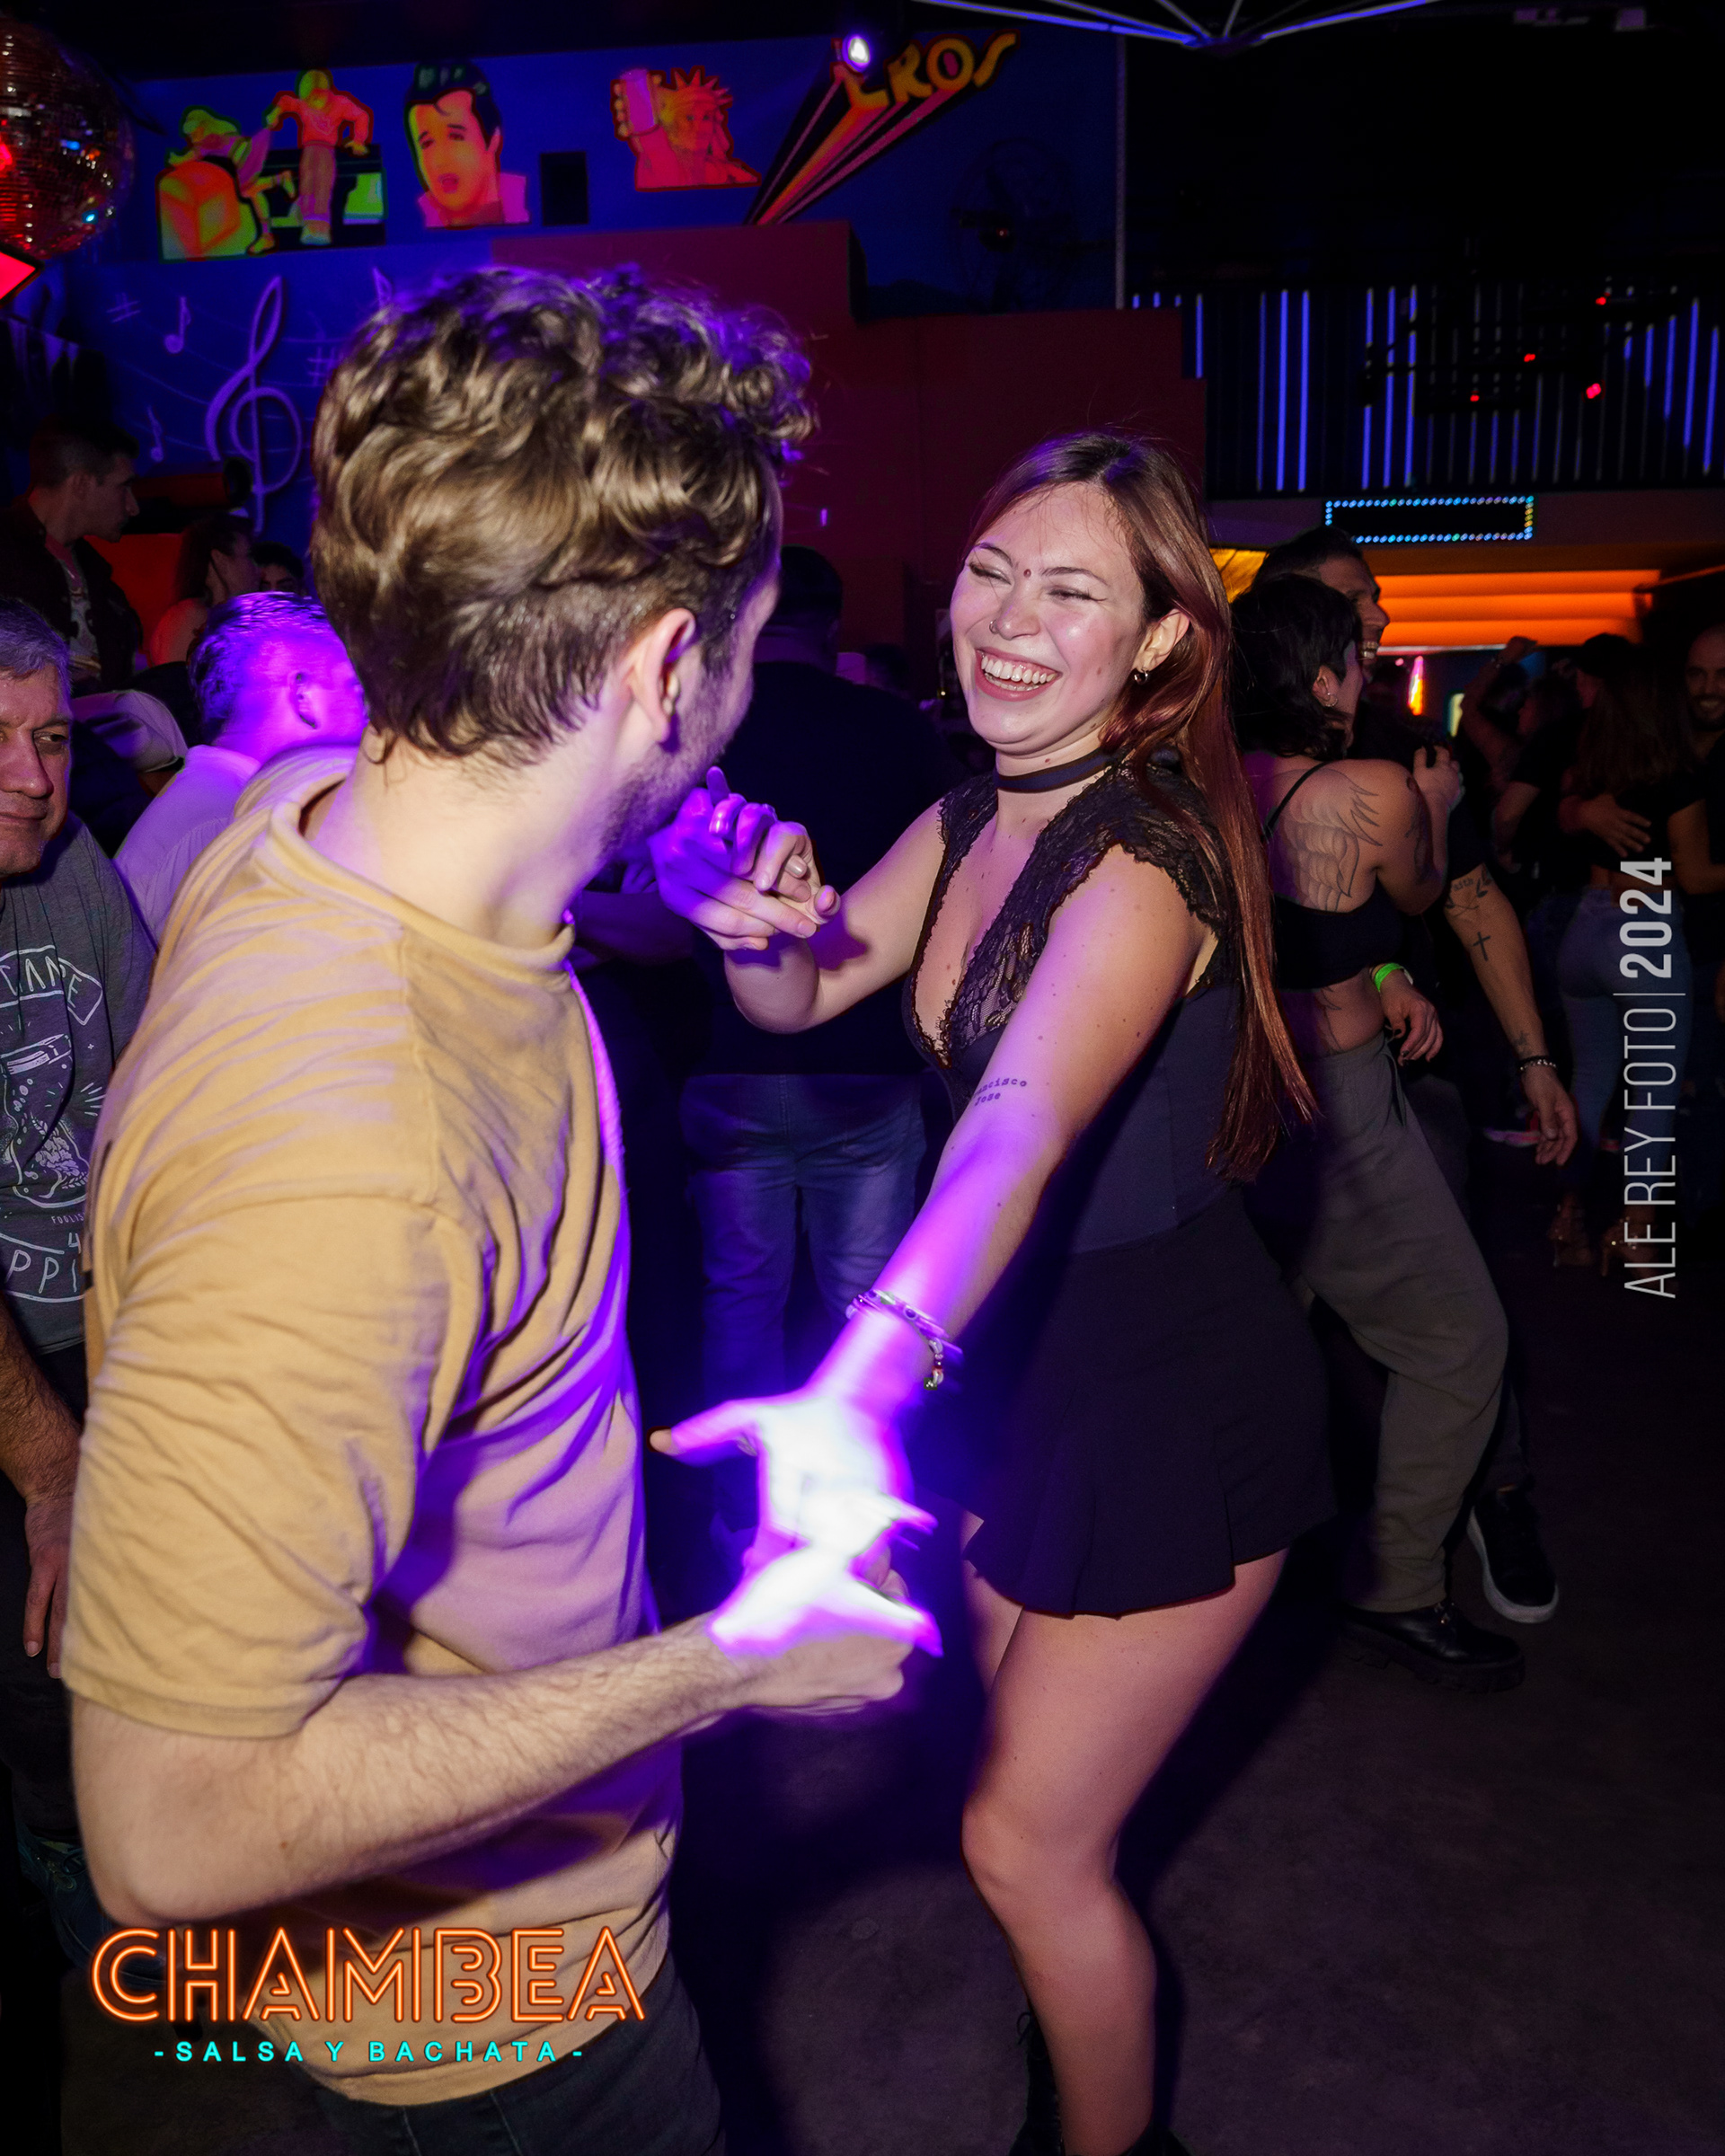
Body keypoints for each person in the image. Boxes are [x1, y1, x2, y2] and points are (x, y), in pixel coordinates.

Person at [63, 268, 933, 2155]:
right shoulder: (357, 1143)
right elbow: (172, 1822)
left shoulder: (306, 812)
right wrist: (737, 1659)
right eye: (741, 655)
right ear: (664, 668)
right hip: (476, 2035)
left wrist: (670, 847)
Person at [650, 432, 1332, 2156]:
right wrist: (743, 919)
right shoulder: (967, 817)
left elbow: (1012, 1134)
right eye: (990, 573)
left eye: (1072, 590)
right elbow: (804, 999)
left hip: (1172, 1390)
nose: (1010, 620)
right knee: (1029, 1795)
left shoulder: (1144, 856)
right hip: (1025, 1367)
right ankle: (1075, 2059)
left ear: (1160, 640)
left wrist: (857, 1378)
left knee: (1026, 1845)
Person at [1257, 536, 1577, 1625]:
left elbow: (1445, 903)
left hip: (1362, 1080)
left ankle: (1486, 1502)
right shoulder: (1340, 768)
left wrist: (1528, 1055)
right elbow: (1408, 889)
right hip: (1311, 1093)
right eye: (1355, 607)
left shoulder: (1348, 747)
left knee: (1424, 1314)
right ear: (1303, 644)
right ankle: (1377, 1580)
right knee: (1440, 1334)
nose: (1381, 624)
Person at [679, 547, 951, 1425]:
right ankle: (864, 1491)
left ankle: (732, 1493)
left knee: (740, 1300)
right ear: (831, 629)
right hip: (864, 1064)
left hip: (730, 1061)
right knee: (866, 1307)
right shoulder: (894, 729)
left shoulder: (704, 731)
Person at [0, 601, 154, 1975]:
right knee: (39, 1668)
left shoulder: (75, 863)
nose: (33, 776)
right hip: (11, 1382)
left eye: (51, 739)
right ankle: (74, 1898)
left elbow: (158, 1078)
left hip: (107, 1329)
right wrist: (51, 1468)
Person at [1554, 648, 1708, 1277]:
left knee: (1590, 1081)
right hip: (1646, 930)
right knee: (1654, 1093)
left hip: (1586, 926)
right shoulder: (1678, 778)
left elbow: (1560, 813)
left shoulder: (1594, 771)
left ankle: (1568, 1218)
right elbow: (1693, 877)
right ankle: (1636, 1233)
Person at [116, 592, 367, 938]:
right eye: (355, 688)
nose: (371, 714)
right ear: (303, 697)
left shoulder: (219, 800)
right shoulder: (226, 822)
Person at [0, 418, 141, 693]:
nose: (133, 507)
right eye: (123, 487)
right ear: (82, 483)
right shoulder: (7, 551)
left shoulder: (96, 570)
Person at [1676, 623, 1725, 1231]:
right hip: (1672, 948)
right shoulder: (1673, 745)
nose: (1709, 688)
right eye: (1697, 673)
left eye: (1722, 675)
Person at [405, 59, 529, 228]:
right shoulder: (408, 224)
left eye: (456, 137)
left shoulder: (532, 203)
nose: (440, 160)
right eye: (426, 144)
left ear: (493, 139)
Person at [261, 68, 373, 246]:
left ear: (326, 93)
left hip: (326, 151)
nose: (314, 103)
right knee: (307, 184)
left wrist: (359, 139)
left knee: (322, 186)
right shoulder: (304, 103)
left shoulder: (339, 103)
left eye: (318, 98)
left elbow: (361, 115)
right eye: (310, 99)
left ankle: (321, 229)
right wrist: (275, 112)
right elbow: (287, 101)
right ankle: (307, 224)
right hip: (309, 150)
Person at [146, 512, 261, 667]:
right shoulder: (189, 617)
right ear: (221, 561)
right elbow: (178, 679)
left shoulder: (202, 617)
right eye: (249, 557)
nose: (258, 570)